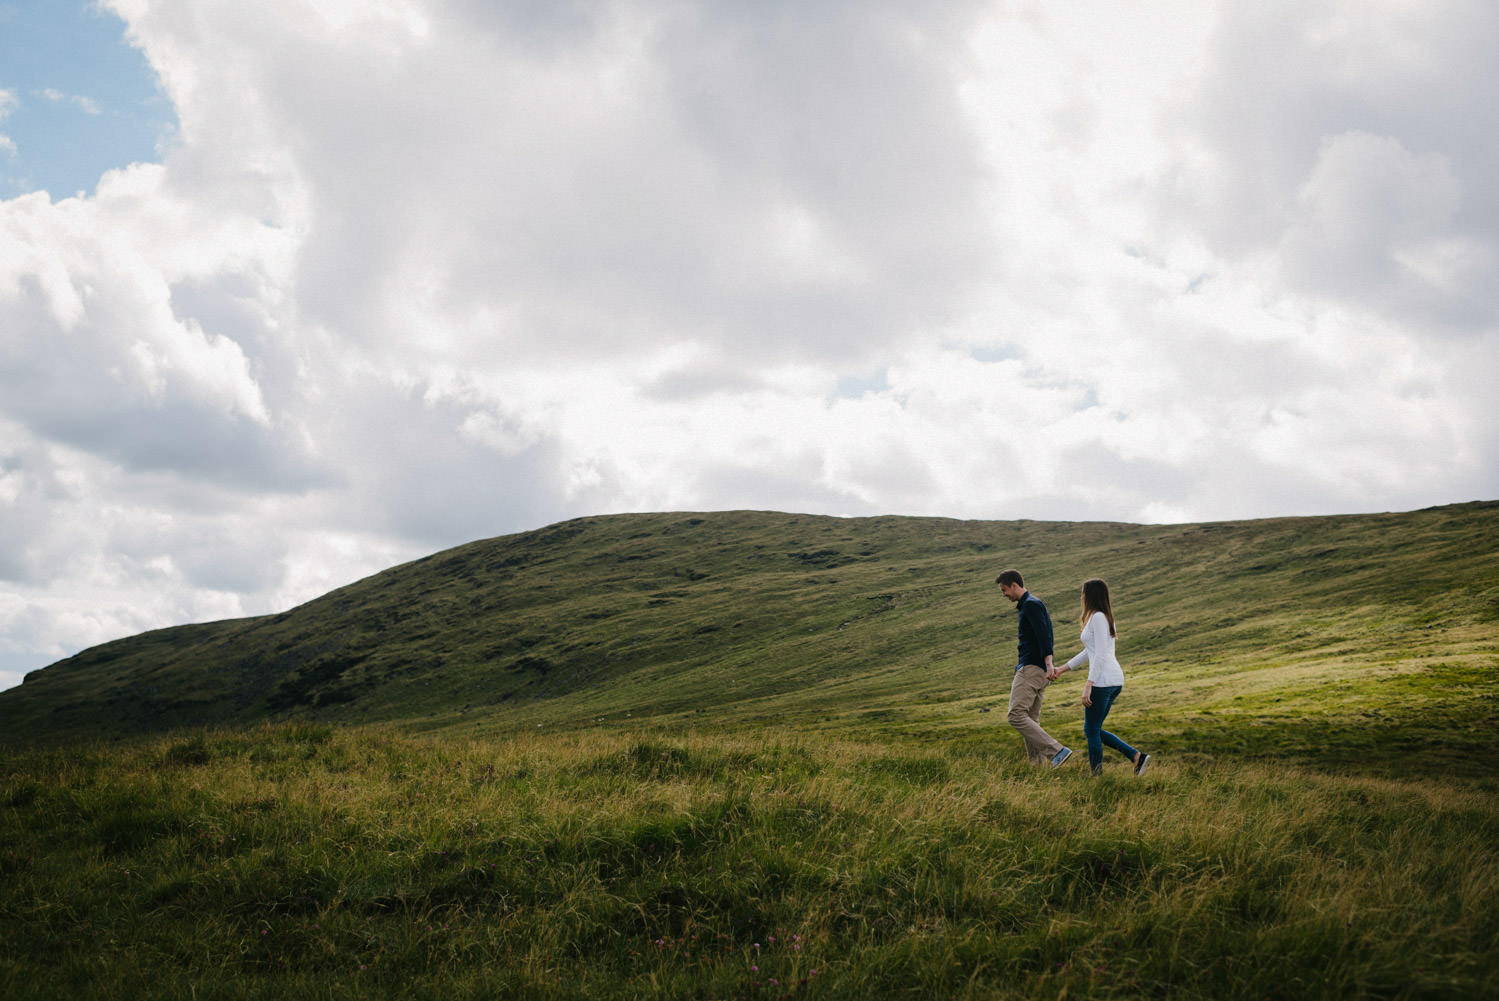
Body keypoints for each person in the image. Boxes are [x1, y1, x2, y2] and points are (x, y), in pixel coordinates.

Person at [1049, 578, 1150, 776]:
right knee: (1093, 729)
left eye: (1083, 593)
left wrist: (1089, 684)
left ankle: (1097, 775)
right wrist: (1062, 669)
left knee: (1091, 730)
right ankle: (1136, 756)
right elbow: (1090, 652)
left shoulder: (1098, 618)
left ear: (1090, 595)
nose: (1081, 597)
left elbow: (1101, 654)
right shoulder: (1102, 617)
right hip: (1112, 679)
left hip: (1103, 681)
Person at [996, 569, 1072, 768]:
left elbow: (1044, 636)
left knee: (1015, 715)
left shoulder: (1031, 605)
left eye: (1004, 590)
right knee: (1030, 719)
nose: (1003, 594)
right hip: (1039, 671)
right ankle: (1038, 768)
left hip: (1031, 668)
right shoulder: (1031, 605)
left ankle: (1057, 751)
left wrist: (1049, 665)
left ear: (1014, 585)